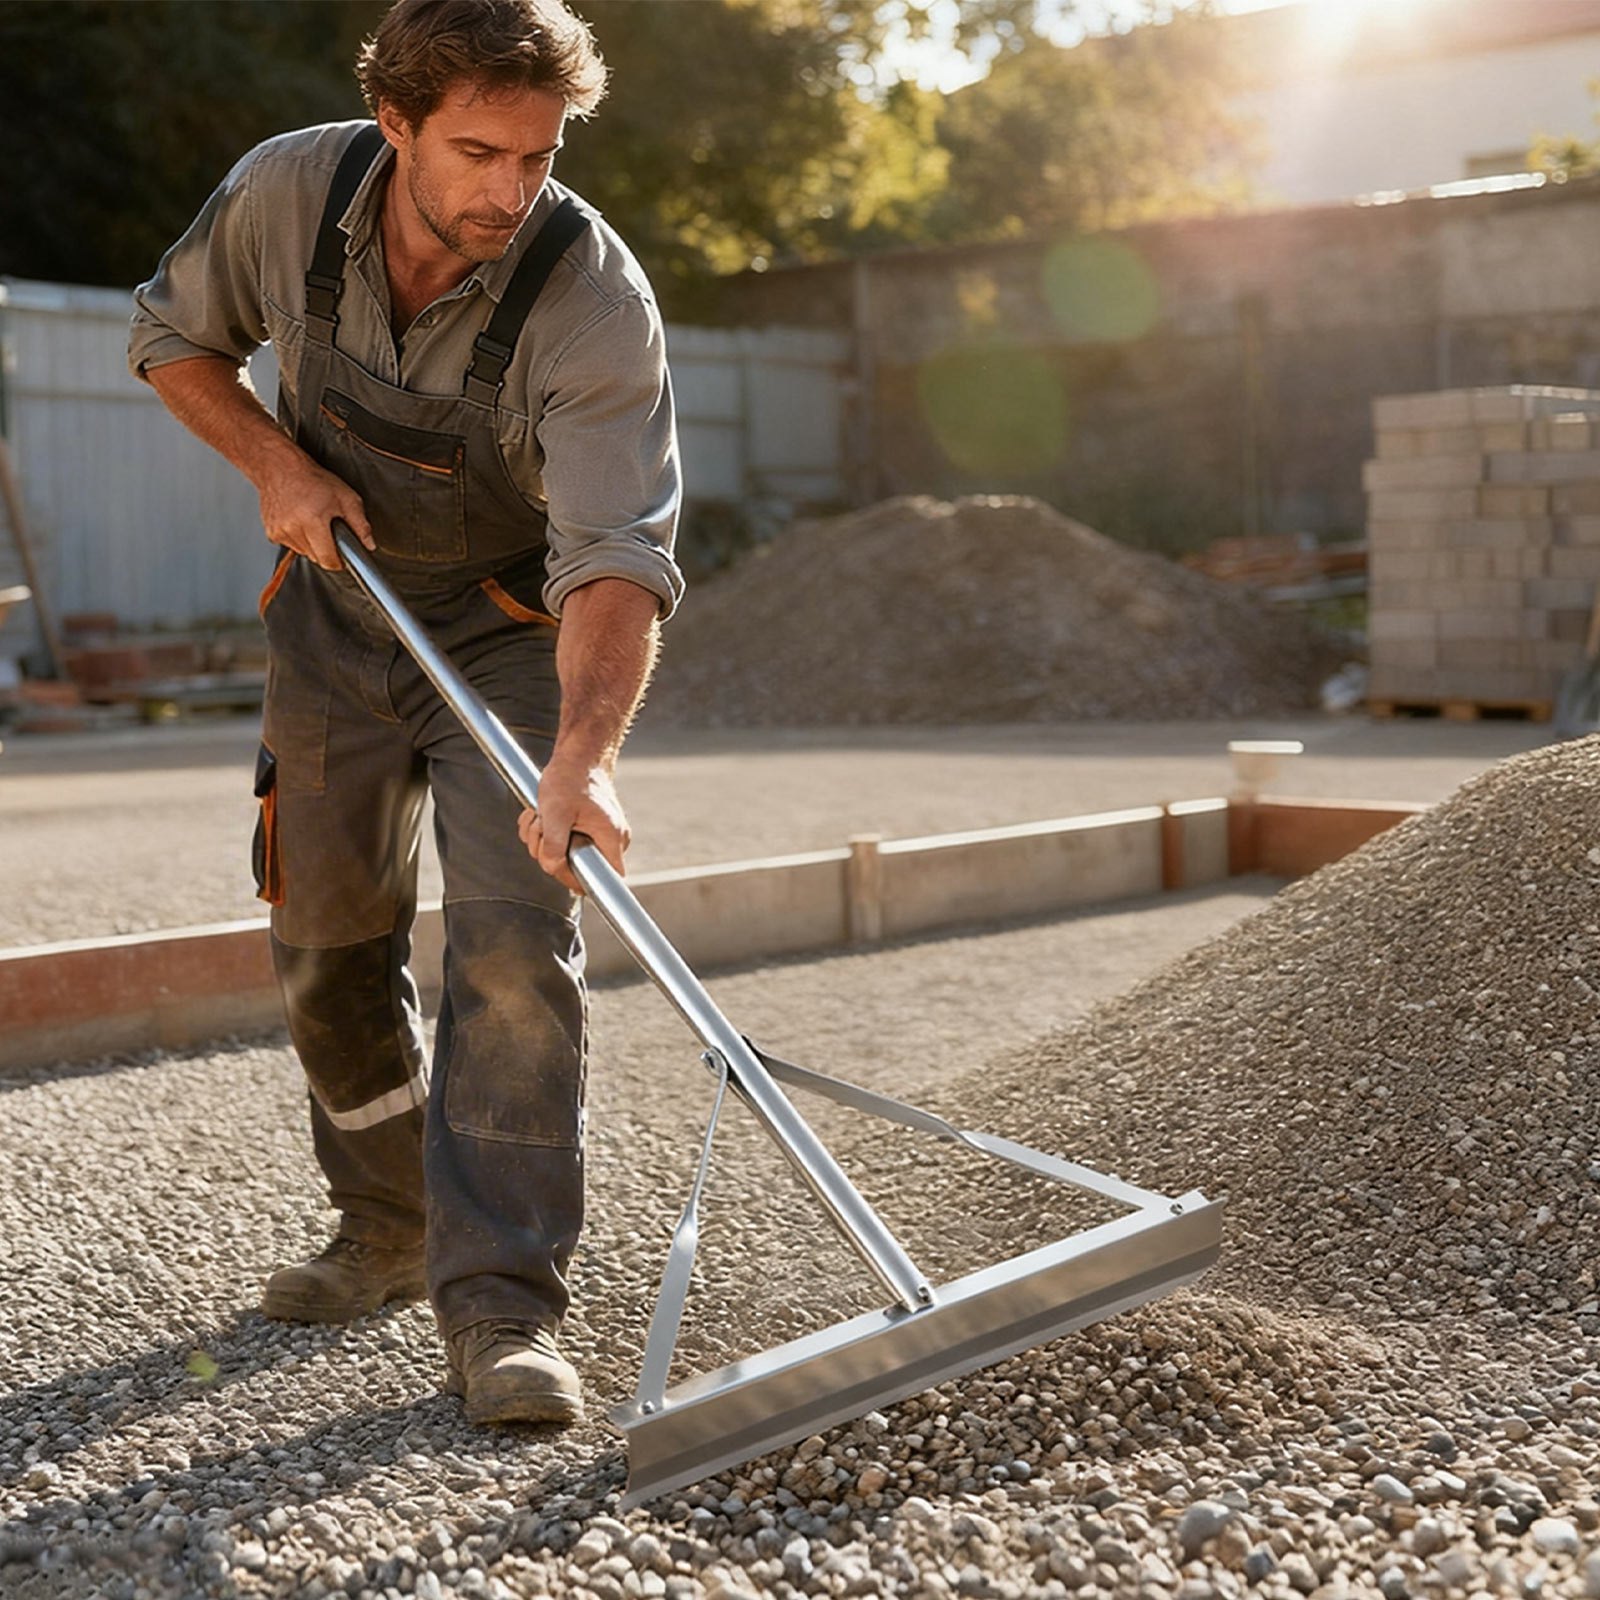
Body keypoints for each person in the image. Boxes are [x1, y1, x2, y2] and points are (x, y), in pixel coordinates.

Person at [128, 0, 682, 1427]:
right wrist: (272, 462)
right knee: (324, 950)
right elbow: (172, 339)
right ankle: (384, 1228)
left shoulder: (592, 298)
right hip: (331, 620)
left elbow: (617, 556)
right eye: (480, 153)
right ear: (396, 126)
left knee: (509, 945)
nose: (513, 192)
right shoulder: (287, 193)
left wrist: (581, 757)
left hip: (500, 637)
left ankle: (502, 1306)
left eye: (540, 157)